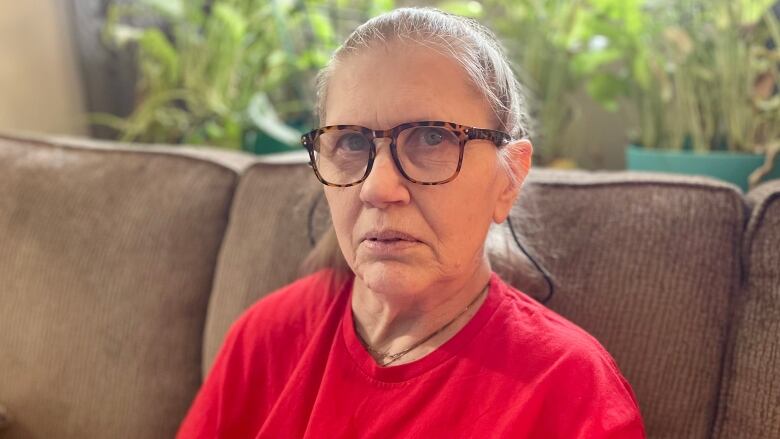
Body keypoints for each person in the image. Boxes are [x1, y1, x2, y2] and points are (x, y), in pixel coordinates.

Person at [177, 7, 645, 438]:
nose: (378, 188)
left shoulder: (569, 391)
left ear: (509, 179)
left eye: (432, 137)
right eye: (352, 144)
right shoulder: (266, 336)